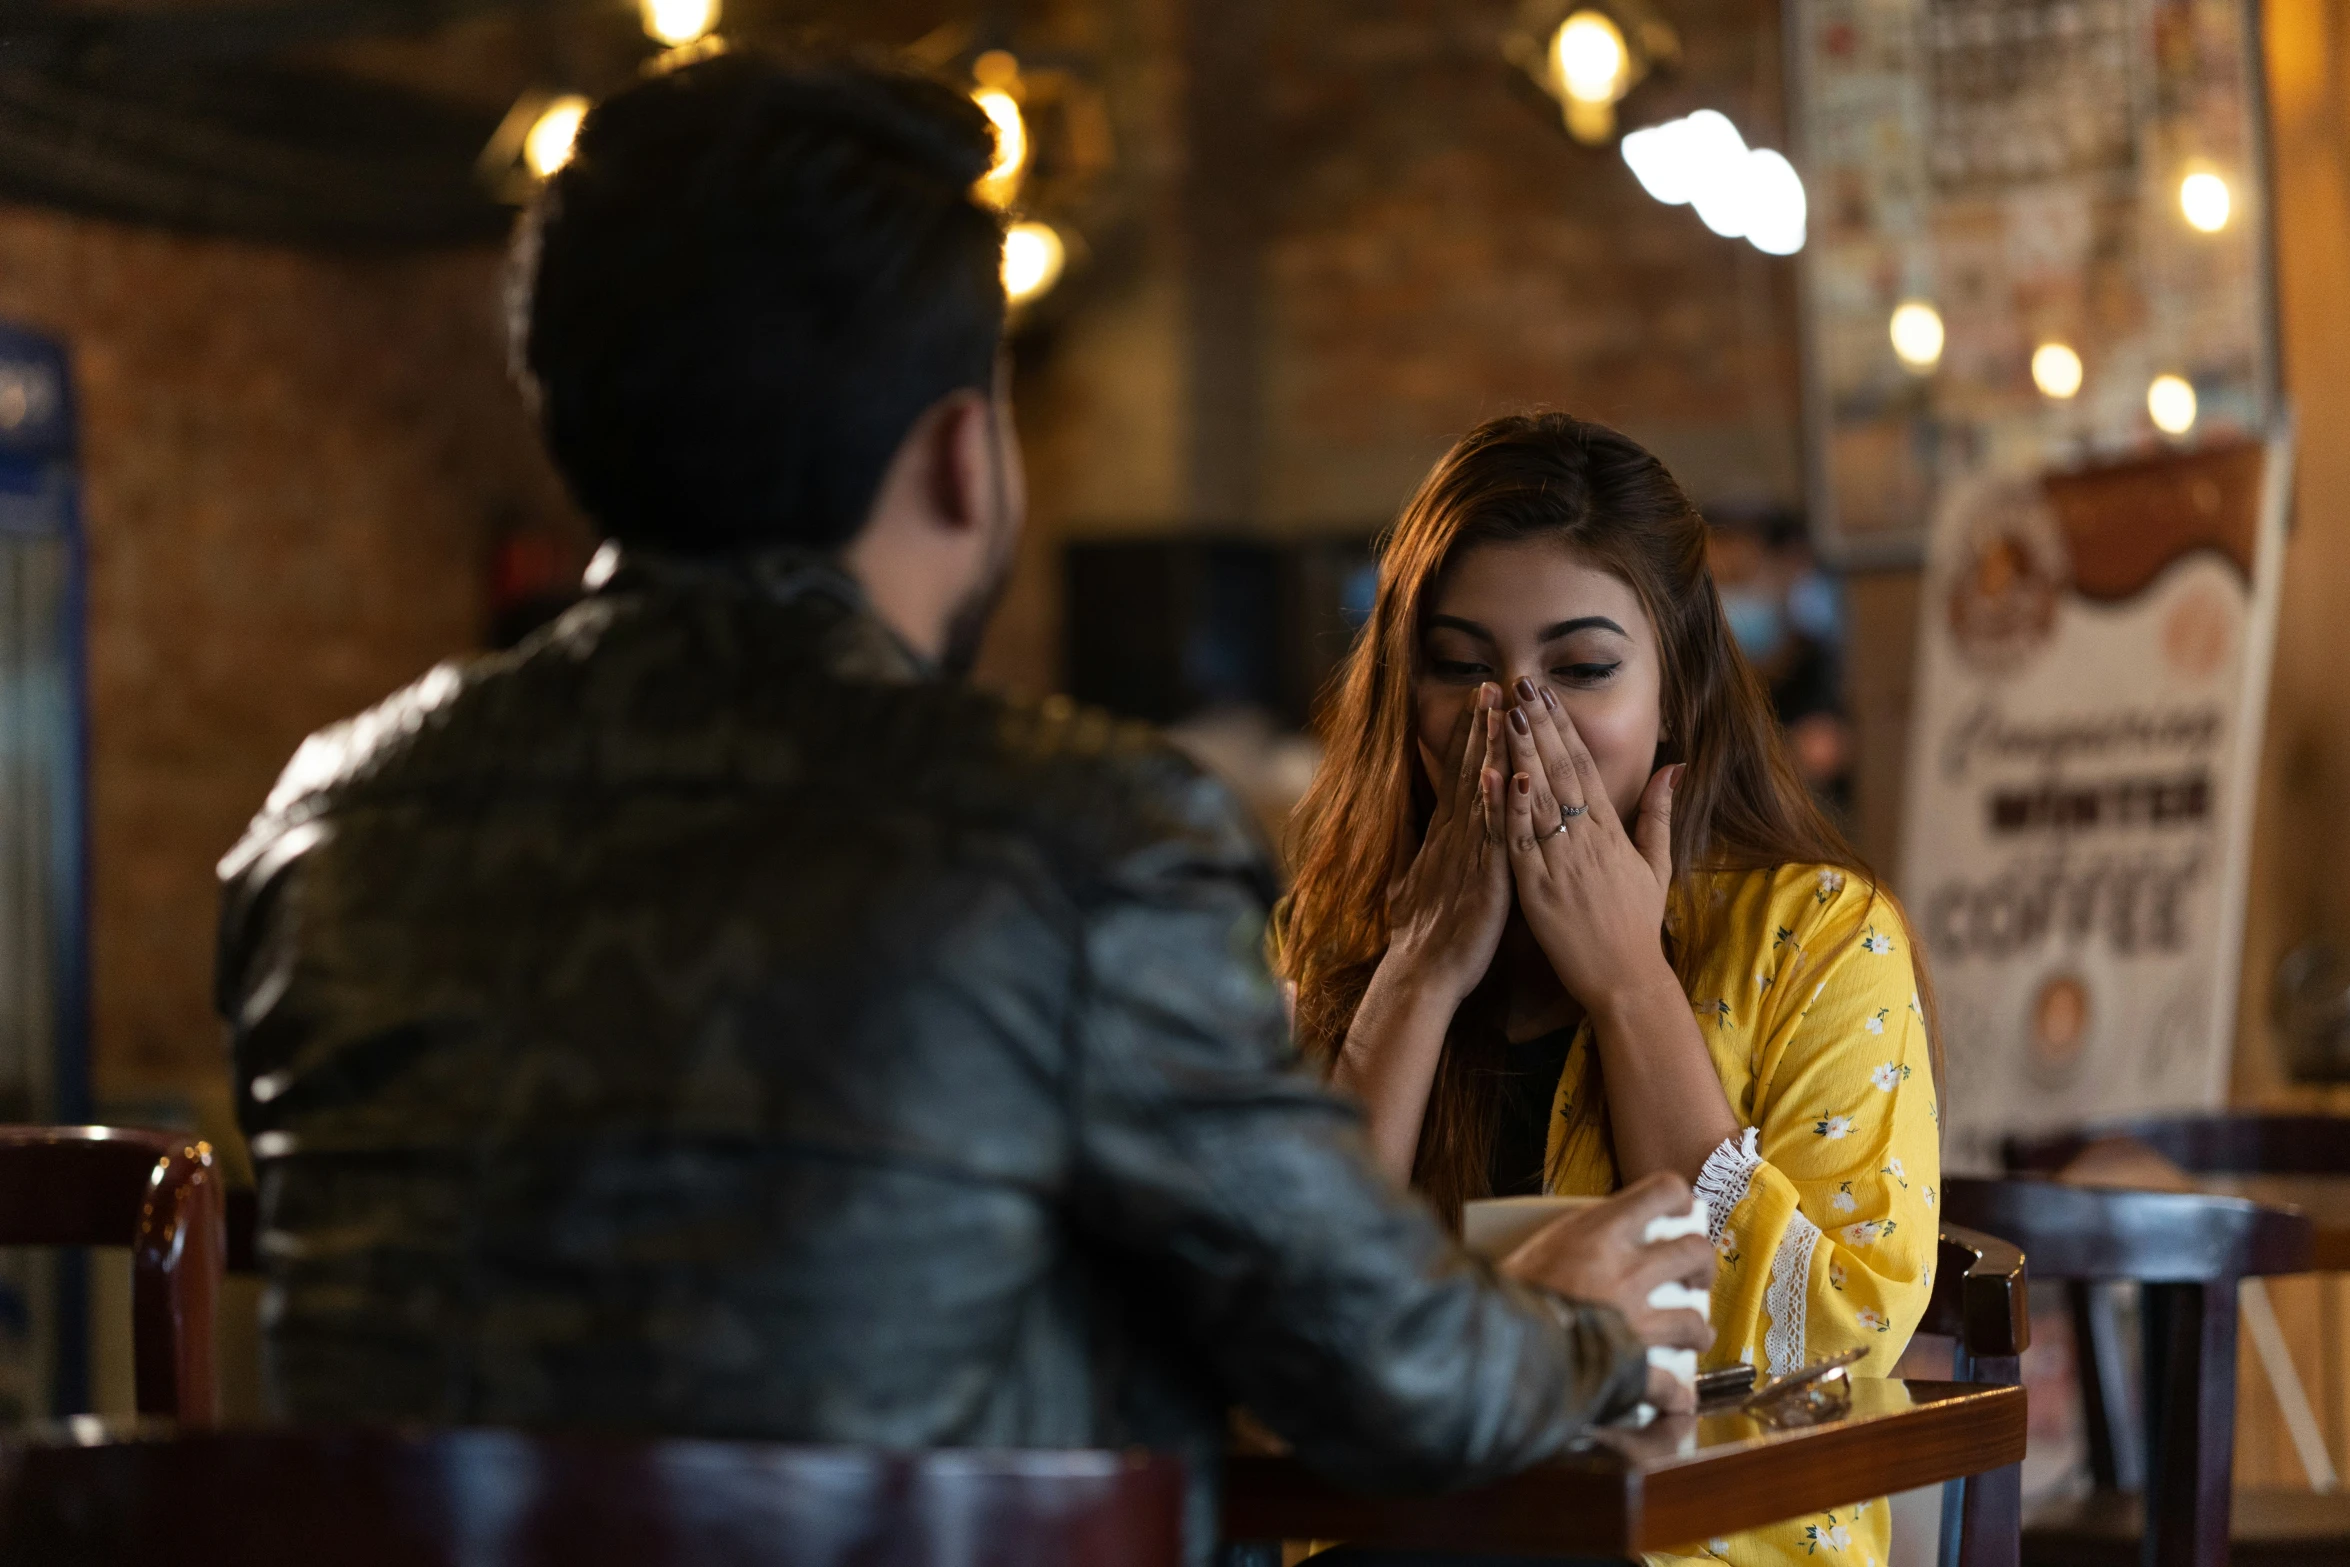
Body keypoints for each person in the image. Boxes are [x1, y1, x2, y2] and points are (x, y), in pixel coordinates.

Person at [212, 50, 1714, 1565]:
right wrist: (1575, 1329)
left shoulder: (321, 835)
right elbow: (1371, 1378)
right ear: (959, 453)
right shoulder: (1079, 841)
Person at [1274, 412, 1941, 1567]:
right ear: (1402, 685)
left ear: (1674, 687)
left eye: (1580, 670)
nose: (1514, 725)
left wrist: (1632, 982)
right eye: (1459, 667)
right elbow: (1277, 1340)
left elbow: (1831, 1343)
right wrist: (1415, 979)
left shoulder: (1817, 937)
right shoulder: (1337, 937)